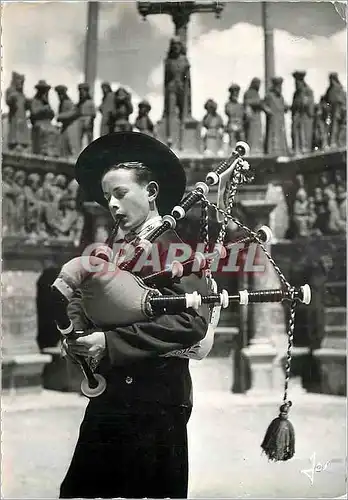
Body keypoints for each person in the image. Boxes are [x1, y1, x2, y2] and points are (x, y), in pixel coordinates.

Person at [59, 131, 211, 499]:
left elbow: (192, 321)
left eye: (120, 193)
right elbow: (84, 295)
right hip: (111, 396)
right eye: (107, 196)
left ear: (152, 192)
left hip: (156, 401)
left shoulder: (172, 250)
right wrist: (78, 334)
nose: (111, 204)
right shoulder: (109, 250)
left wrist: (110, 343)